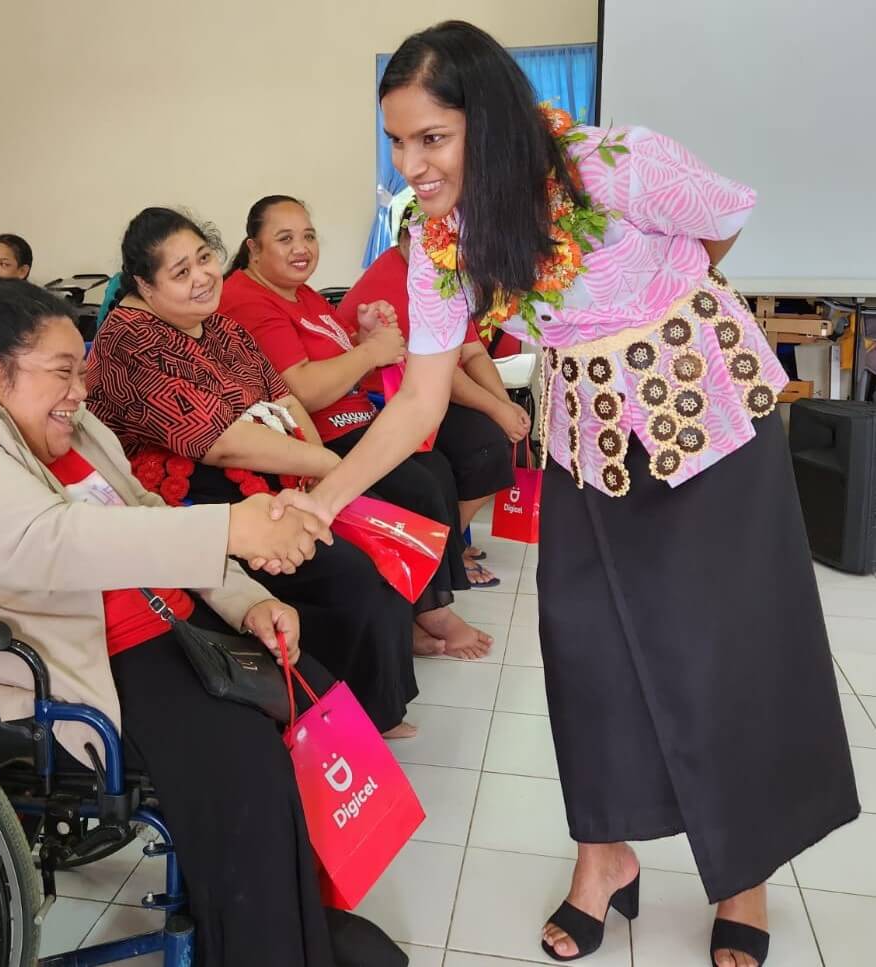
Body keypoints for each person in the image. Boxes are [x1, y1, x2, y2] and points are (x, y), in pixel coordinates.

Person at [273, 21, 858, 967]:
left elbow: (724, 216)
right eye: (397, 141)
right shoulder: (441, 243)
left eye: (432, 138)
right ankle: (604, 858)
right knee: (584, 649)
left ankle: (743, 874)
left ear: (491, 119)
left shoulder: (614, 166)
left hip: (705, 426)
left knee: (723, 652)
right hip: (592, 447)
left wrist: (667, 301)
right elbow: (420, 396)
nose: (410, 163)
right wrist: (324, 497)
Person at [0, 260, 403, 967]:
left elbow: (143, 513)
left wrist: (249, 601)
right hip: (50, 658)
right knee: (243, 764)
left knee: (313, 696)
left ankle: (292, 920)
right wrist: (230, 529)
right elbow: (41, 543)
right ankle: (266, 942)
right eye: (62, 371)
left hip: (151, 622)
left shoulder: (69, 426)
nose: (80, 392)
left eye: (80, 370)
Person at [87, 208, 419, 736]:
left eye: (204, 259)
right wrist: (328, 464)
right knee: (345, 572)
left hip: (267, 476)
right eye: (180, 272)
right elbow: (216, 442)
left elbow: (283, 398)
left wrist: (322, 479)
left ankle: (369, 701)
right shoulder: (131, 341)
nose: (202, 277)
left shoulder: (218, 327)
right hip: (191, 501)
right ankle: (349, 711)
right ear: (145, 286)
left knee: (366, 544)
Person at [220, 197, 491, 657]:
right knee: (420, 485)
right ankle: (429, 611)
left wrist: (363, 336)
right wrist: (372, 351)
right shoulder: (248, 299)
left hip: (358, 417)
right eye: (284, 238)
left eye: (308, 236)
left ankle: (417, 607)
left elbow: (341, 358)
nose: (301, 247)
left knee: (438, 470)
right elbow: (303, 389)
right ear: (253, 248)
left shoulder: (301, 292)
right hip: (321, 435)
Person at [337, 208, 526, 585]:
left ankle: (449, 543)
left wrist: (505, 405)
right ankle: (447, 550)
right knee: (485, 444)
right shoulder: (395, 278)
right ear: (410, 237)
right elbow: (439, 372)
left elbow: (472, 353)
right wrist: (499, 411)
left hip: (427, 388)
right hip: (387, 397)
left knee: (492, 431)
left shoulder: (441, 275)